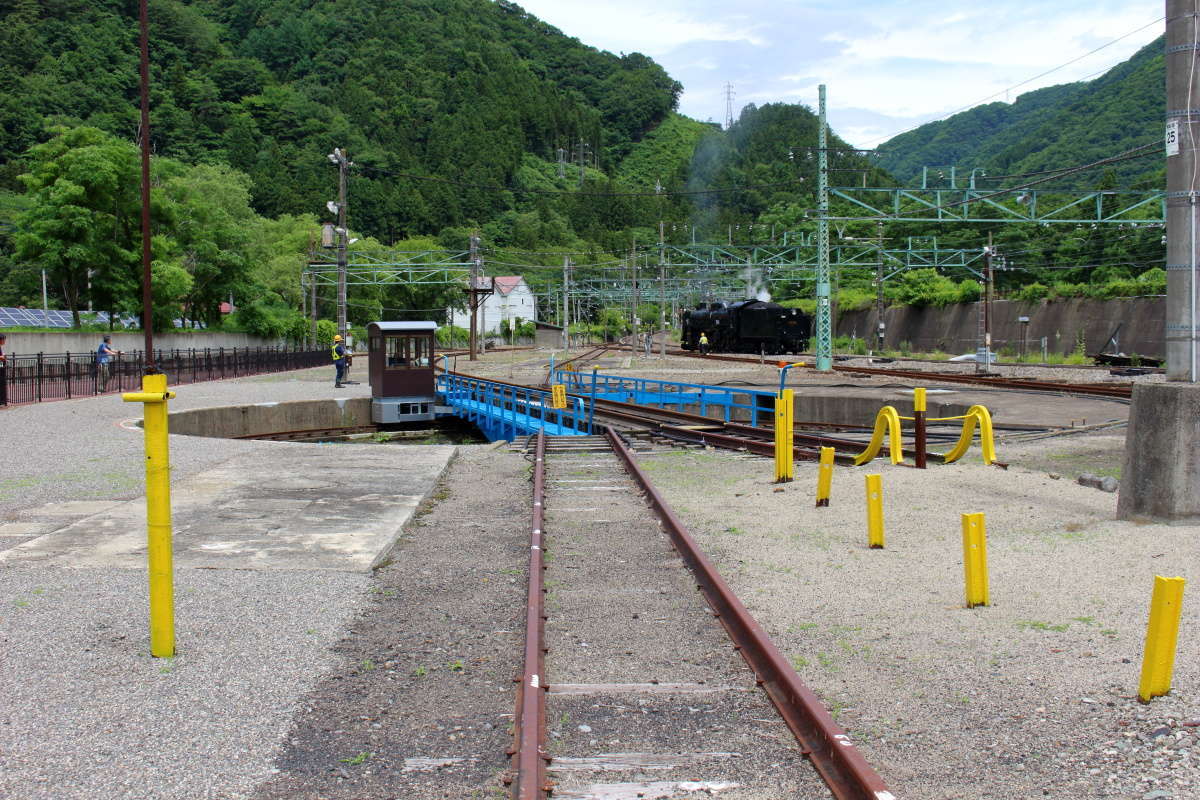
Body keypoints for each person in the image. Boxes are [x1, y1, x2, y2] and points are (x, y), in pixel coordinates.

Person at [0, 333, 7, 407]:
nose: (4, 341)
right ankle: (1, 400)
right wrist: (3, 357)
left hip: (1, 367)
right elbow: (1, 357)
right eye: (4, 339)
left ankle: (2, 400)